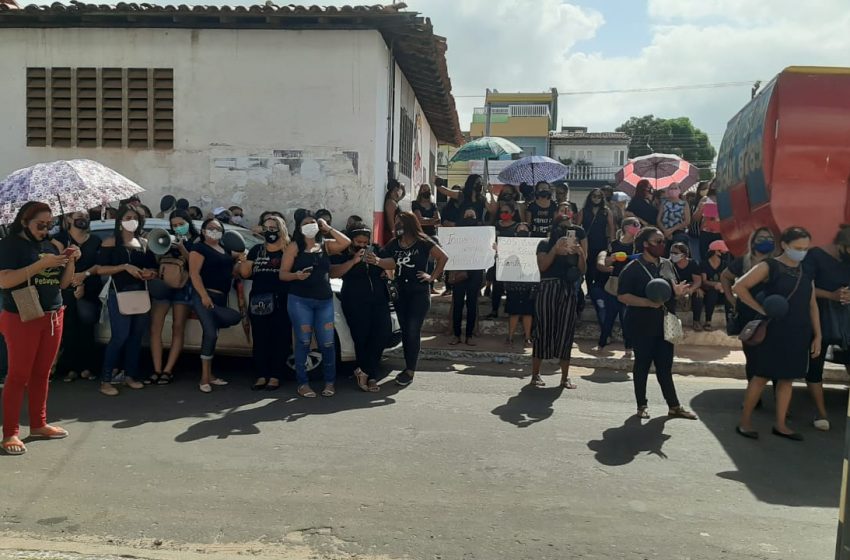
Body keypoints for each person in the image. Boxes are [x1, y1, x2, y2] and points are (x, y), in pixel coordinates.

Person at [0, 202, 78, 456]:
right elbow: (5, 280)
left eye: (50, 224)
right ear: (24, 221)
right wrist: (40, 265)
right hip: (21, 316)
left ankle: (38, 424)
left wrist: (70, 260)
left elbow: (64, 284)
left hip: (53, 314)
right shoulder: (10, 245)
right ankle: (10, 432)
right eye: (40, 225)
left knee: (42, 373)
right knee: (18, 375)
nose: (46, 229)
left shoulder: (48, 245)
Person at [735, 227, 820, 441]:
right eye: (797, 247)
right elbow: (740, 286)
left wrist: (818, 334)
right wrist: (760, 309)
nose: (802, 252)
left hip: (798, 331)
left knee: (787, 379)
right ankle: (745, 422)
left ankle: (781, 425)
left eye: (805, 248)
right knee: (761, 376)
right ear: (784, 245)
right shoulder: (770, 266)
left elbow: (812, 304)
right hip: (774, 330)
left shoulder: (806, 270)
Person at [617, 227, 697, 420]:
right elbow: (622, 295)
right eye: (658, 242)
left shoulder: (668, 264)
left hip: (665, 322)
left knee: (665, 366)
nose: (663, 245)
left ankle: (674, 406)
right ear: (645, 244)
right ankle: (641, 405)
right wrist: (647, 302)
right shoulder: (633, 268)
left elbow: (670, 288)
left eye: (663, 242)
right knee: (642, 365)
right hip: (641, 324)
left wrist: (677, 292)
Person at [280, 210, 350, 398]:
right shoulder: (294, 246)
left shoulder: (324, 246)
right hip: (300, 301)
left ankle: (329, 382)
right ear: (299, 227)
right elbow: (282, 274)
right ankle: (303, 383)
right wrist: (297, 275)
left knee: (327, 343)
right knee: (303, 342)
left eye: (314, 223)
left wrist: (328, 228)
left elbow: (346, 243)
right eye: (307, 223)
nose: (311, 225)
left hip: (324, 301)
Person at [97, 206, 159, 396]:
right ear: (120, 221)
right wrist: (124, 267)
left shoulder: (144, 243)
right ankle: (105, 380)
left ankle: (130, 376)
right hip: (118, 294)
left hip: (140, 294)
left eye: (135, 218)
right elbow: (100, 269)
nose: (132, 220)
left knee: (135, 338)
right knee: (120, 337)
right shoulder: (110, 242)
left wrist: (150, 273)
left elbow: (153, 268)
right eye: (128, 217)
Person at [381, 212, 448, 386]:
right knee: (405, 331)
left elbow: (442, 257)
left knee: (412, 330)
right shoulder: (393, 244)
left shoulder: (423, 241)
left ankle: (410, 369)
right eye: (396, 223)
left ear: (409, 224)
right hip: (401, 292)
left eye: (400, 223)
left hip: (419, 292)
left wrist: (432, 277)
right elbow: (384, 259)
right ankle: (408, 366)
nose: (397, 226)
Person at [330, 224, 395, 392]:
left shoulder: (376, 249)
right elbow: (333, 272)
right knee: (361, 338)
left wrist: (377, 261)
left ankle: (363, 370)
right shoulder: (343, 252)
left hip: (379, 299)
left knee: (383, 333)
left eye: (365, 242)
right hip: (354, 301)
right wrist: (353, 261)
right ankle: (370, 376)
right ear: (351, 240)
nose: (362, 245)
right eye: (358, 241)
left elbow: (392, 263)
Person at [529, 216, 586, 389]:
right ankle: (535, 375)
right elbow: (542, 267)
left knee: (566, 331)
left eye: (569, 227)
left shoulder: (574, 246)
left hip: (568, 289)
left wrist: (580, 253)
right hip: (548, 288)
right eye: (562, 227)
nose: (566, 230)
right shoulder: (545, 244)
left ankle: (564, 378)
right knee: (543, 329)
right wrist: (555, 249)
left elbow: (583, 270)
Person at [803, 225, 850, 431]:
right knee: (816, 362)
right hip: (820, 315)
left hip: (846, 317)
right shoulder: (815, 255)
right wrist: (831, 295)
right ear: (841, 244)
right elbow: (806, 287)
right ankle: (821, 412)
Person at [189, 218, 243, 393]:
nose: (214, 231)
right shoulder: (199, 249)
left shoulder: (225, 249)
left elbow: (240, 255)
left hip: (221, 298)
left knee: (215, 334)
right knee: (210, 334)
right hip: (204, 296)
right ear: (203, 231)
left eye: (218, 228)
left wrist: (242, 259)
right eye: (210, 228)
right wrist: (204, 296)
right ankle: (204, 377)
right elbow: (194, 274)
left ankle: (210, 375)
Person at [240, 214, 292, 391]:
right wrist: (243, 260)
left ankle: (276, 375)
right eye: (267, 228)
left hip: (281, 300)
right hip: (259, 301)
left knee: (280, 339)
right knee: (260, 339)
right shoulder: (256, 250)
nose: (270, 232)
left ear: (281, 229)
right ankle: (261, 375)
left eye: (273, 228)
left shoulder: (288, 250)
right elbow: (245, 273)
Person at [148, 209, 198, 385]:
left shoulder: (196, 241)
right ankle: (156, 369)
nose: (178, 228)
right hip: (163, 287)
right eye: (174, 225)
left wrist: (183, 248)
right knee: (155, 328)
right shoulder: (167, 238)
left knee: (178, 327)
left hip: (183, 288)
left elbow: (195, 266)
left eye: (181, 224)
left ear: (188, 223)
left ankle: (168, 370)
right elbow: (155, 256)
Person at [721, 228, 776, 384]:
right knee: (752, 356)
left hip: (770, 313)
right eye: (761, 238)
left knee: (772, 355)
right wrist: (730, 298)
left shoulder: (777, 262)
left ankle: (777, 396)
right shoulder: (743, 261)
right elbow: (725, 276)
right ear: (753, 241)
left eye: (769, 238)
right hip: (747, 314)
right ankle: (754, 396)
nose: (765, 241)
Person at [53, 211, 102, 382]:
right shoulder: (60, 239)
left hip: (90, 290)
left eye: (87, 216)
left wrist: (84, 278)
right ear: (68, 218)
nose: (84, 219)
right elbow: (57, 266)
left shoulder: (95, 240)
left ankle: (87, 366)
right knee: (69, 329)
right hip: (66, 290)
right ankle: (70, 368)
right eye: (79, 216)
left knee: (87, 328)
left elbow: (99, 265)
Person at [596, 217, 640, 349]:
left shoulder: (637, 245)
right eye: (635, 225)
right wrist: (613, 258)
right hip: (615, 282)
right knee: (610, 315)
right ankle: (602, 343)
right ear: (626, 227)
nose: (637, 227)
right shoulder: (614, 244)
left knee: (626, 318)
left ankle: (629, 347)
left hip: (631, 284)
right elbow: (606, 262)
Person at [449, 208, 485, 346]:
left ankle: (469, 335)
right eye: (467, 214)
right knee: (457, 304)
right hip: (459, 269)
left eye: (472, 215)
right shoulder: (456, 232)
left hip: (475, 271)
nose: (470, 217)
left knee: (471, 304)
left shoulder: (482, 232)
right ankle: (456, 335)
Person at [505, 222, 536, 346]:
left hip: (529, 283)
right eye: (519, 229)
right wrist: (499, 250)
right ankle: (510, 337)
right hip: (513, 283)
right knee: (514, 312)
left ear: (529, 232)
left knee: (528, 312)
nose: (522, 230)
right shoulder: (509, 245)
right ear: (515, 232)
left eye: (525, 229)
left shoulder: (535, 245)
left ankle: (528, 337)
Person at [487, 201, 520, 319]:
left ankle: (512, 311)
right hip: (497, 260)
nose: (503, 214)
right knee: (496, 287)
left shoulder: (518, 226)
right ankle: (494, 310)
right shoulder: (496, 225)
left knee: (511, 288)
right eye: (501, 212)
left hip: (512, 262)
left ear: (513, 213)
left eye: (506, 212)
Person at [578, 188, 616, 289]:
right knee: (589, 266)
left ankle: (598, 289)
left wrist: (612, 242)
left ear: (602, 198)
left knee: (601, 265)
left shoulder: (606, 211)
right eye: (594, 196)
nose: (596, 198)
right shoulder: (583, 211)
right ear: (590, 197)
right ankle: (589, 289)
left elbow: (612, 227)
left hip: (601, 242)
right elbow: (577, 227)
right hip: (587, 242)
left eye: (599, 196)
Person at [694, 240, 730, 331]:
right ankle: (708, 322)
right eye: (723, 250)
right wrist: (716, 284)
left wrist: (722, 286)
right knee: (712, 293)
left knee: (728, 296)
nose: (725, 252)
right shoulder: (704, 264)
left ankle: (731, 322)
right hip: (708, 292)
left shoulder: (725, 264)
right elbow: (704, 281)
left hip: (721, 291)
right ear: (716, 251)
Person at [668, 242, 703, 329]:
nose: (672, 255)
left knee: (698, 294)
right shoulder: (668, 264)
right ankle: (672, 322)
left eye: (675, 253)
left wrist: (691, 289)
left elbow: (698, 281)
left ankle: (696, 321)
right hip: (674, 287)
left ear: (683, 255)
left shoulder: (692, 264)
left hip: (689, 287)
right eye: (671, 252)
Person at [693, 182, 722, 262]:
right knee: (705, 259)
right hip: (706, 234)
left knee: (720, 260)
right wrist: (700, 209)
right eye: (714, 182)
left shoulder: (727, 198)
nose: (716, 184)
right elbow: (695, 219)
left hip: (721, 234)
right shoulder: (705, 199)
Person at [658, 183, 690, 248]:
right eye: (671, 188)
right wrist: (665, 231)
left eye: (675, 188)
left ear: (680, 190)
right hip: (664, 230)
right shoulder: (664, 202)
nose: (673, 190)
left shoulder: (684, 203)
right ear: (668, 190)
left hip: (678, 231)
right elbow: (658, 219)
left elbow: (687, 221)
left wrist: (672, 230)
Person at [383, 179, 405, 245]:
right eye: (398, 189)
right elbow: (390, 220)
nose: (399, 191)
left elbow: (403, 195)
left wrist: (403, 187)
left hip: (397, 231)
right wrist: (394, 235)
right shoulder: (390, 202)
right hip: (391, 233)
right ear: (395, 188)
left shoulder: (393, 199)